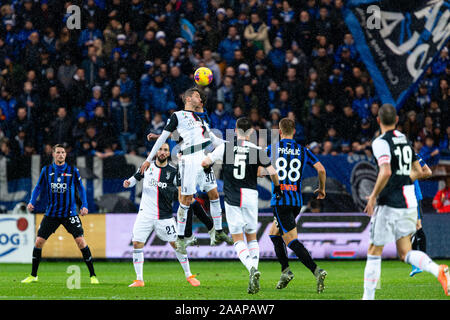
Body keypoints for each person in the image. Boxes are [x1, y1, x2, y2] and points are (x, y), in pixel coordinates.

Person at [363, 103, 449, 300]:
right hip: (409, 200)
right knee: (405, 252)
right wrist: (402, 179)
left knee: (374, 251)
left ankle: (367, 298)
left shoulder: (380, 142)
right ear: (396, 121)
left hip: (389, 202)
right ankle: (439, 271)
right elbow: (420, 171)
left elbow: (385, 170)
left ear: (378, 121)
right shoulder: (405, 141)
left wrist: (374, 194)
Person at [140, 88, 230, 255]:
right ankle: (181, 238)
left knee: (214, 194)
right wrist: (148, 159)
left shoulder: (199, 119)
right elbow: (167, 137)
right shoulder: (177, 116)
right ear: (188, 98)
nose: (200, 98)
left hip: (204, 157)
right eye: (197, 96)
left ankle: (218, 231)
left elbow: (213, 139)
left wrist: (236, 145)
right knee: (186, 199)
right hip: (188, 159)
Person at [201, 117, 282, 294]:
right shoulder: (257, 150)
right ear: (251, 132)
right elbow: (273, 172)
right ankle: (254, 268)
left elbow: (205, 163)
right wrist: (277, 187)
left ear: (236, 130)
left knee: (238, 239)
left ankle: (252, 269)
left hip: (232, 197)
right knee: (252, 237)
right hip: (251, 196)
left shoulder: (226, 147)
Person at [123, 143, 200, 288]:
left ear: (169, 153)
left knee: (177, 245)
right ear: (156, 152)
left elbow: (180, 191)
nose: (162, 152)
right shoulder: (147, 166)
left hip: (164, 216)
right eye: (160, 149)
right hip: (145, 214)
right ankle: (139, 280)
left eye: (165, 150)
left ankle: (189, 275)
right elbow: (135, 178)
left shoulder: (174, 170)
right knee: (137, 243)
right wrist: (128, 183)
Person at [265, 118, 328, 293]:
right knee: (274, 234)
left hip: (280, 200)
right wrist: (321, 189)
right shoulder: (303, 150)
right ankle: (285, 271)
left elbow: (263, 169)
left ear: (279, 131)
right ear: (294, 131)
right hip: (295, 202)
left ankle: (317, 271)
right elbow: (321, 169)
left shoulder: (272, 149)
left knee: (291, 240)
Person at [22, 144, 99, 284]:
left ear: (66, 154)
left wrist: (84, 205)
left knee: (81, 242)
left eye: (63, 152)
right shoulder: (46, 170)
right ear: (53, 154)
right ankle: (33, 275)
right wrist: (32, 201)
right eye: (58, 152)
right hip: (51, 213)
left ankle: (93, 275)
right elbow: (38, 187)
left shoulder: (72, 170)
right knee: (38, 242)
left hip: (69, 213)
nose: (61, 155)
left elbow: (81, 189)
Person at [410, 153, 432, 277]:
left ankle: (420, 263)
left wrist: (411, 178)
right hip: (400, 196)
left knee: (416, 227)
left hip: (412, 195)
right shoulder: (394, 155)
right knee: (409, 230)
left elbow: (428, 171)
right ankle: (418, 264)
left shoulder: (413, 155)